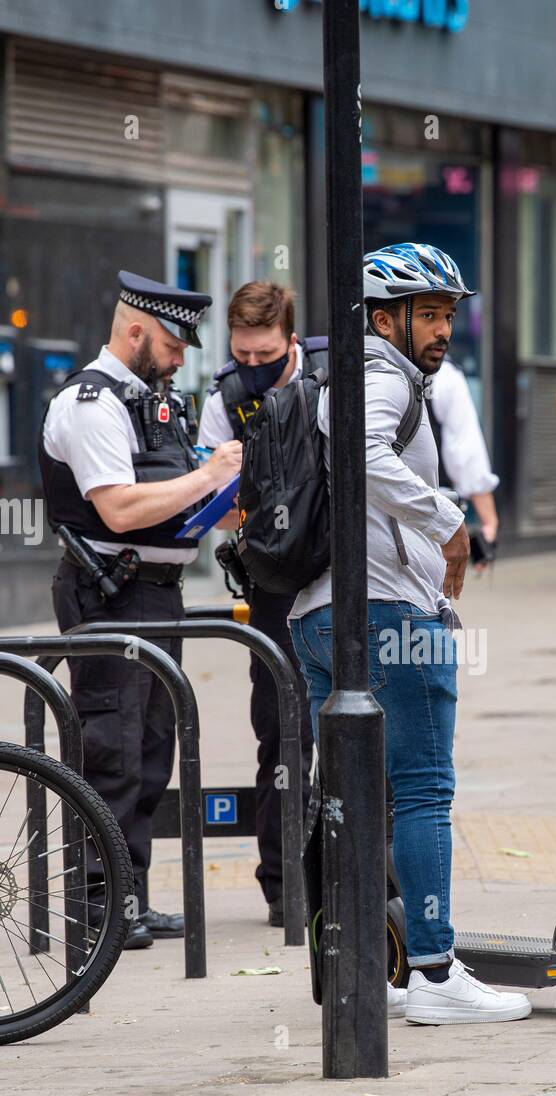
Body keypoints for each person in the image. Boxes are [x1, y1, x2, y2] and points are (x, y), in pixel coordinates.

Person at [289, 242, 531, 1024]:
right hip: (389, 613)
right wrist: (448, 519)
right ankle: (431, 971)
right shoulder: (381, 376)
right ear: (383, 316)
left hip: (317, 616)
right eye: (428, 313)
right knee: (424, 790)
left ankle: (365, 963)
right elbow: (365, 460)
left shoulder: (338, 376)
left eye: (449, 314)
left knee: (362, 798)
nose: (442, 329)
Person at [40, 271, 242, 949]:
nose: (183, 356)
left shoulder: (154, 402)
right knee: (113, 751)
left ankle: (130, 900)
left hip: (155, 595)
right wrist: (208, 475)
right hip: (110, 593)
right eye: (174, 342)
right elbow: (119, 507)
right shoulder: (92, 403)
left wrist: (226, 490)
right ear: (136, 332)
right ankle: (96, 908)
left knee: (152, 754)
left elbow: (178, 498)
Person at [197, 281, 317, 928]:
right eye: (242, 355)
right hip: (272, 584)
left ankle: (360, 873)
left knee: (362, 725)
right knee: (280, 731)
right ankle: (283, 885)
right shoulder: (227, 396)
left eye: (264, 354)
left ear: (290, 341)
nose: (252, 366)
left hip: (341, 578)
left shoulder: (330, 376)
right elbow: (216, 511)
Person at [427, 357, 499, 556]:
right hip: (429, 508)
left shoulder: (365, 363)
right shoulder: (444, 376)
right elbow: (465, 451)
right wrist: (489, 522)